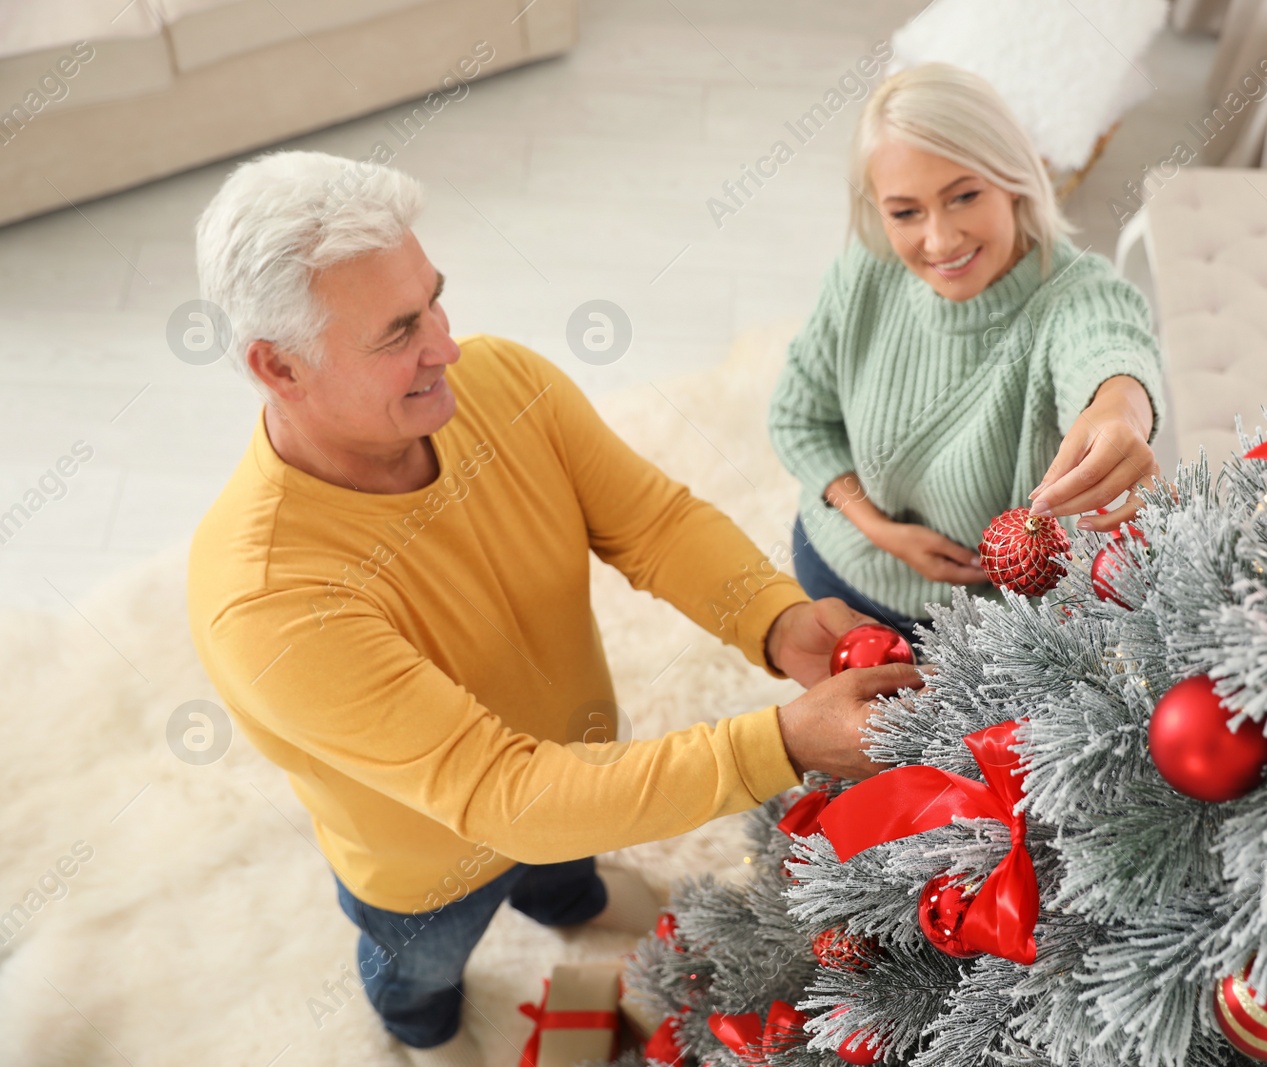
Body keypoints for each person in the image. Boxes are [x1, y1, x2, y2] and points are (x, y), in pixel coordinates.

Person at [185, 150, 918, 1067]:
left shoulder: (499, 382)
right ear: (278, 368)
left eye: (436, 298)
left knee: (563, 864)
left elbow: (649, 521)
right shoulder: (267, 598)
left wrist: (772, 617)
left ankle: (568, 898)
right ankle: (420, 1031)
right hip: (425, 871)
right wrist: (782, 743)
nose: (445, 344)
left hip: (576, 770)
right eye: (399, 331)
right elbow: (505, 797)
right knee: (422, 972)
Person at [768, 64, 1166, 644]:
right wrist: (880, 530)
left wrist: (1120, 411)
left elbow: (1109, 348)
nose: (941, 240)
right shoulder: (865, 271)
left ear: (1013, 178)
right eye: (906, 212)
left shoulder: (1074, 295)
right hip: (834, 567)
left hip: (970, 635)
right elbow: (797, 419)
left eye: (964, 196)